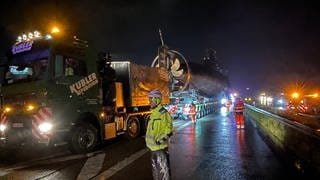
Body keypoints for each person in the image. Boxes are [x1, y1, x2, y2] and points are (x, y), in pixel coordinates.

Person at [146, 90, 173, 180]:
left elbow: (169, 131)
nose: (149, 102)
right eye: (149, 99)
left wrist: (159, 141)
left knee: (164, 175)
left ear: (157, 100)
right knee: (156, 174)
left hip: (160, 150)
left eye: (151, 99)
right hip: (152, 150)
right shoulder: (153, 114)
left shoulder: (163, 114)